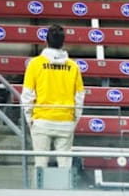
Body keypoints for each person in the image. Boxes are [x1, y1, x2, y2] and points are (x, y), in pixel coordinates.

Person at [21, 24, 85, 169]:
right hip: (65, 121)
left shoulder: (35, 64)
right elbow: (79, 97)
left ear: (46, 40)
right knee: (65, 167)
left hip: (41, 121)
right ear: (63, 42)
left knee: (40, 166)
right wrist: (74, 120)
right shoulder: (73, 66)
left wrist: (30, 119)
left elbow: (27, 95)